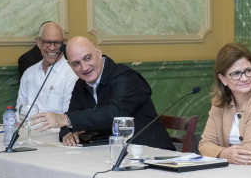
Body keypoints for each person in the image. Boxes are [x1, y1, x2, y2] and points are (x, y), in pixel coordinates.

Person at [30, 36, 174, 149]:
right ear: (70, 65)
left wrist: (66, 119)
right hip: (110, 153)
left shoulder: (125, 77)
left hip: (151, 153)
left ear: (98, 52)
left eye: (87, 58)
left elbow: (114, 114)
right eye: (76, 63)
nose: (84, 67)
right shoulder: (81, 84)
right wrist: (67, 133)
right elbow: (71, 118)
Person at [16, 22, 78, 114]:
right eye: (47, 42)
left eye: (57, 43)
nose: (52, 48)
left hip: (57, 123)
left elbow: (69, 116)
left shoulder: (72, 73)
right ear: (39, 42)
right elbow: (20, 110)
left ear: (64, 44)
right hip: (28, 123)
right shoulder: (29, 73)